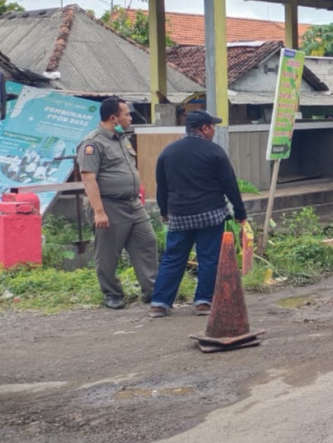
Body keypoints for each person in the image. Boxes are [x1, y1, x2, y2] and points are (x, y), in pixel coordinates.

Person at [148, 110, 248, 318]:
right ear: (204, 128)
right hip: (210, 214)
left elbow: (162, 186)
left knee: (172, 258)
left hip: (179, 215)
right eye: (212, 126)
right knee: (209, 258)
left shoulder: (168, 152)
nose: (213, 131)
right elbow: (230, 185)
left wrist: (164, 210)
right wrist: (240, 211)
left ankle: (159, 303)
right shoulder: (215, 152)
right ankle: (203, 302)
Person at [78, 97, 158, 310]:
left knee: (147, 243)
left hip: (132, 204)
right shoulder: (93, 143)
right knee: (107, 253)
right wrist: (99, 212)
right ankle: (112, 294)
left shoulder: (121, 139)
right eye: (127, 114)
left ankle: (152, 291)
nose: (130, 118)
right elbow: (88, 179)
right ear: (113, 118)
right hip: (109, 205)